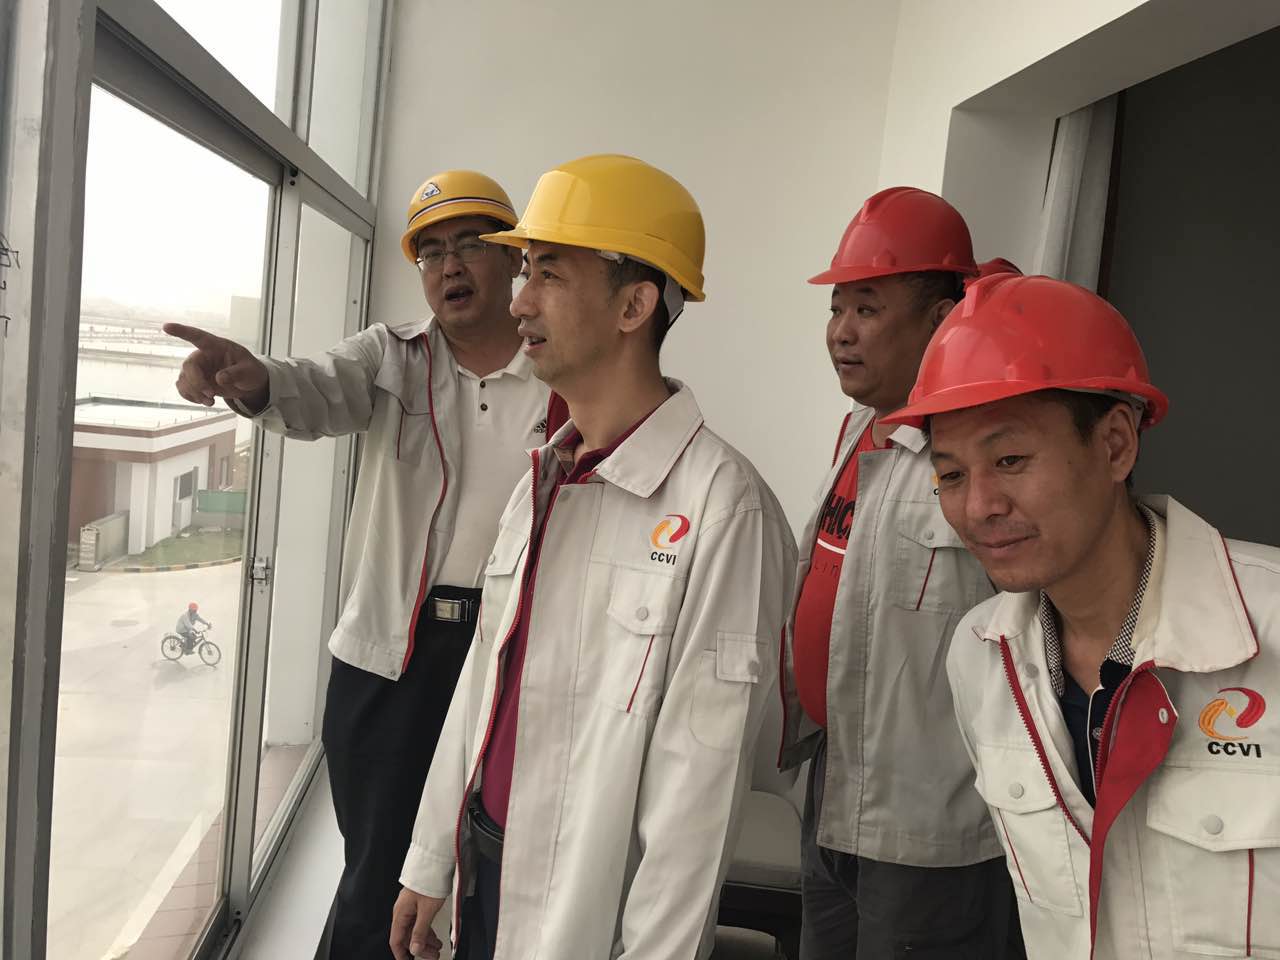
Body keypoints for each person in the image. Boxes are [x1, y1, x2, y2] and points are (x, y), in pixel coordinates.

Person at [389, 154, 798, 960]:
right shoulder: (546, 477)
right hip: (484, 860)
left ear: (634, 305)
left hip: (585, 907)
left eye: (548, 273)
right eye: (526, 272)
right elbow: (483, 680)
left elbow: (699, 793)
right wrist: (431, 856)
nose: (520, 300)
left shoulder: (723, 508)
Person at [166, 171, 556, 958]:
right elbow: (315, 388)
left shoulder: (559, 371)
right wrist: (257, 381)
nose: (449, 265)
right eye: (432, 252)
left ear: (514, 258)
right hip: (390, 657)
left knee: (500, 866)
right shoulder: (392, 356)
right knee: (377, 872)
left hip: (516, 653)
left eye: (470, 244)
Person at [881, 273, 1280, 958]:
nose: (978, 507)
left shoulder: (1268, 626)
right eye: (951, 474)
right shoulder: (981, 658)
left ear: (1116, 444)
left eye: (1010, 459)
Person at [779, 187, 1021, 958]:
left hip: (929, 826)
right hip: (833, 784)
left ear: (942, 317)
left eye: (868, 309)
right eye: (836, 309)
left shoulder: (979, 459)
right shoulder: (858, 430)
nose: (841, 332)